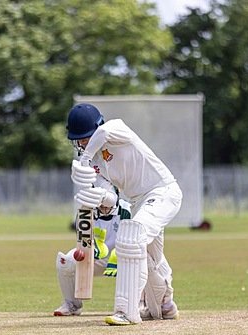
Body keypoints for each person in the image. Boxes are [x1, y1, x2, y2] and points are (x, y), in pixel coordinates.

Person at [66, 103, 183, 326]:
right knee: (150, 256)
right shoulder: (96, 165)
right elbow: (111, 200)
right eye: (78, 140)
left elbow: (104, 132)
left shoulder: (116, 130)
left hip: (163, 191)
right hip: (140, 202)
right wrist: (98, 199)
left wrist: (85, 159)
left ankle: (127, 310)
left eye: (85, 137)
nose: (82, 143)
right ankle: (164, 306)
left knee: (131, 237)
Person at [54, 198, 131, 316]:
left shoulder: (126, 209)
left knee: (145, 260)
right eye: (102, 205)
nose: (105, 208)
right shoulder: (86, 211)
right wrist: (86, 253)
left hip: (122, 258)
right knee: (65, 262)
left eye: (108, 206)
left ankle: (141, 304)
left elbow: (132, 239)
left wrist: (117, 256)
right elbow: (84, 242)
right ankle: (72, 305)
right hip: (96, 258)